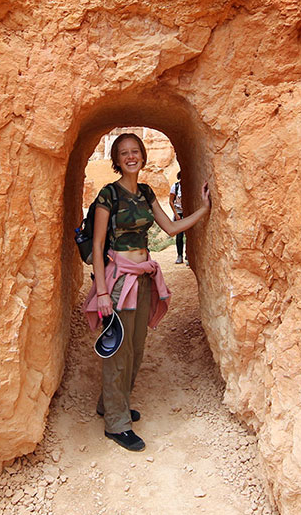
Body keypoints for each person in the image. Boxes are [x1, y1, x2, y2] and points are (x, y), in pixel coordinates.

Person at [83, 132, 211, 452]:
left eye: (135, 151)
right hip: (117, 281)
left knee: (136, 347)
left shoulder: (145, 193)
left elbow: (170, 228)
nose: (131, 157)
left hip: (143, 279)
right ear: (116, 160)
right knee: (119, 349)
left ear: (142, 155)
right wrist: (101, 293)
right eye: (124, 152)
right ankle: (116, 423)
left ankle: (112, 403)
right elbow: (98, 245)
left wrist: (204, 210)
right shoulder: (107, 195)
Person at [169, 171, 186, 264]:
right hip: (178, 212)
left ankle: (188, 255)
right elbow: (171, 201)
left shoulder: (189, 187)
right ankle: (180, 255)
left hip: (187, 213)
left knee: (189, 235)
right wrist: (176, 214)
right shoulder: (175, 187)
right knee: (179, 236)